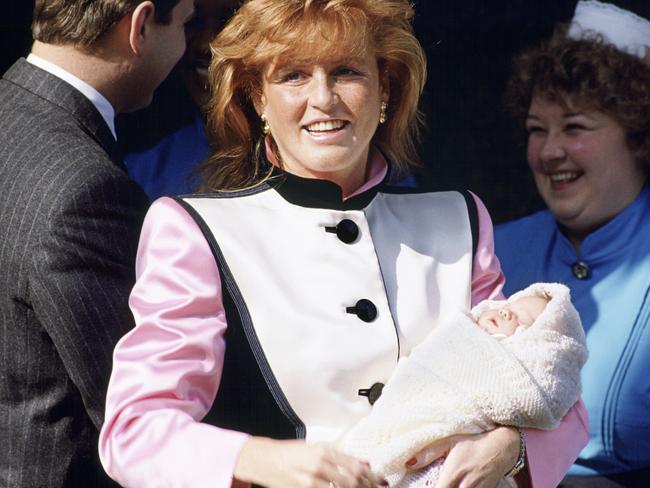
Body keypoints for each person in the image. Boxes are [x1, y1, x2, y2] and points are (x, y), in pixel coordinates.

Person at [99, 1, 588, 487]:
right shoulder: (194, 230)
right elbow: (134, 431)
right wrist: (257, 459)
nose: (323, 98)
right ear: (257, 97)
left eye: (347, 72)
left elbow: (546, 374)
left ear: (386, 90)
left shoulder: (459, 219)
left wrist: (514, 448)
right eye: (292, 75)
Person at [0, 0, 194, 487]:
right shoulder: (85, 188)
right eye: (187, 23)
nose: (188, 46)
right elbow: (137, 408)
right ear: (141, 25)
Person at [496, 1, 650, 486]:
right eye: (536, 130)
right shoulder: (492, 251)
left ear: (638, 136)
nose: (548, 151)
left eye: (575, 127)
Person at [340, 283, 587, 487]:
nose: (505, 311)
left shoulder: (468, 226)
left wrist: (511, 446)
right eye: (510, 308)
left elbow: (555, 388)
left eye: (523, 319)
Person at [117, 0, 240, 200]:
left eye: (228, 22)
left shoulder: (290, 142)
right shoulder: (135, 144)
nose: (205, 45)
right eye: (193, 21)